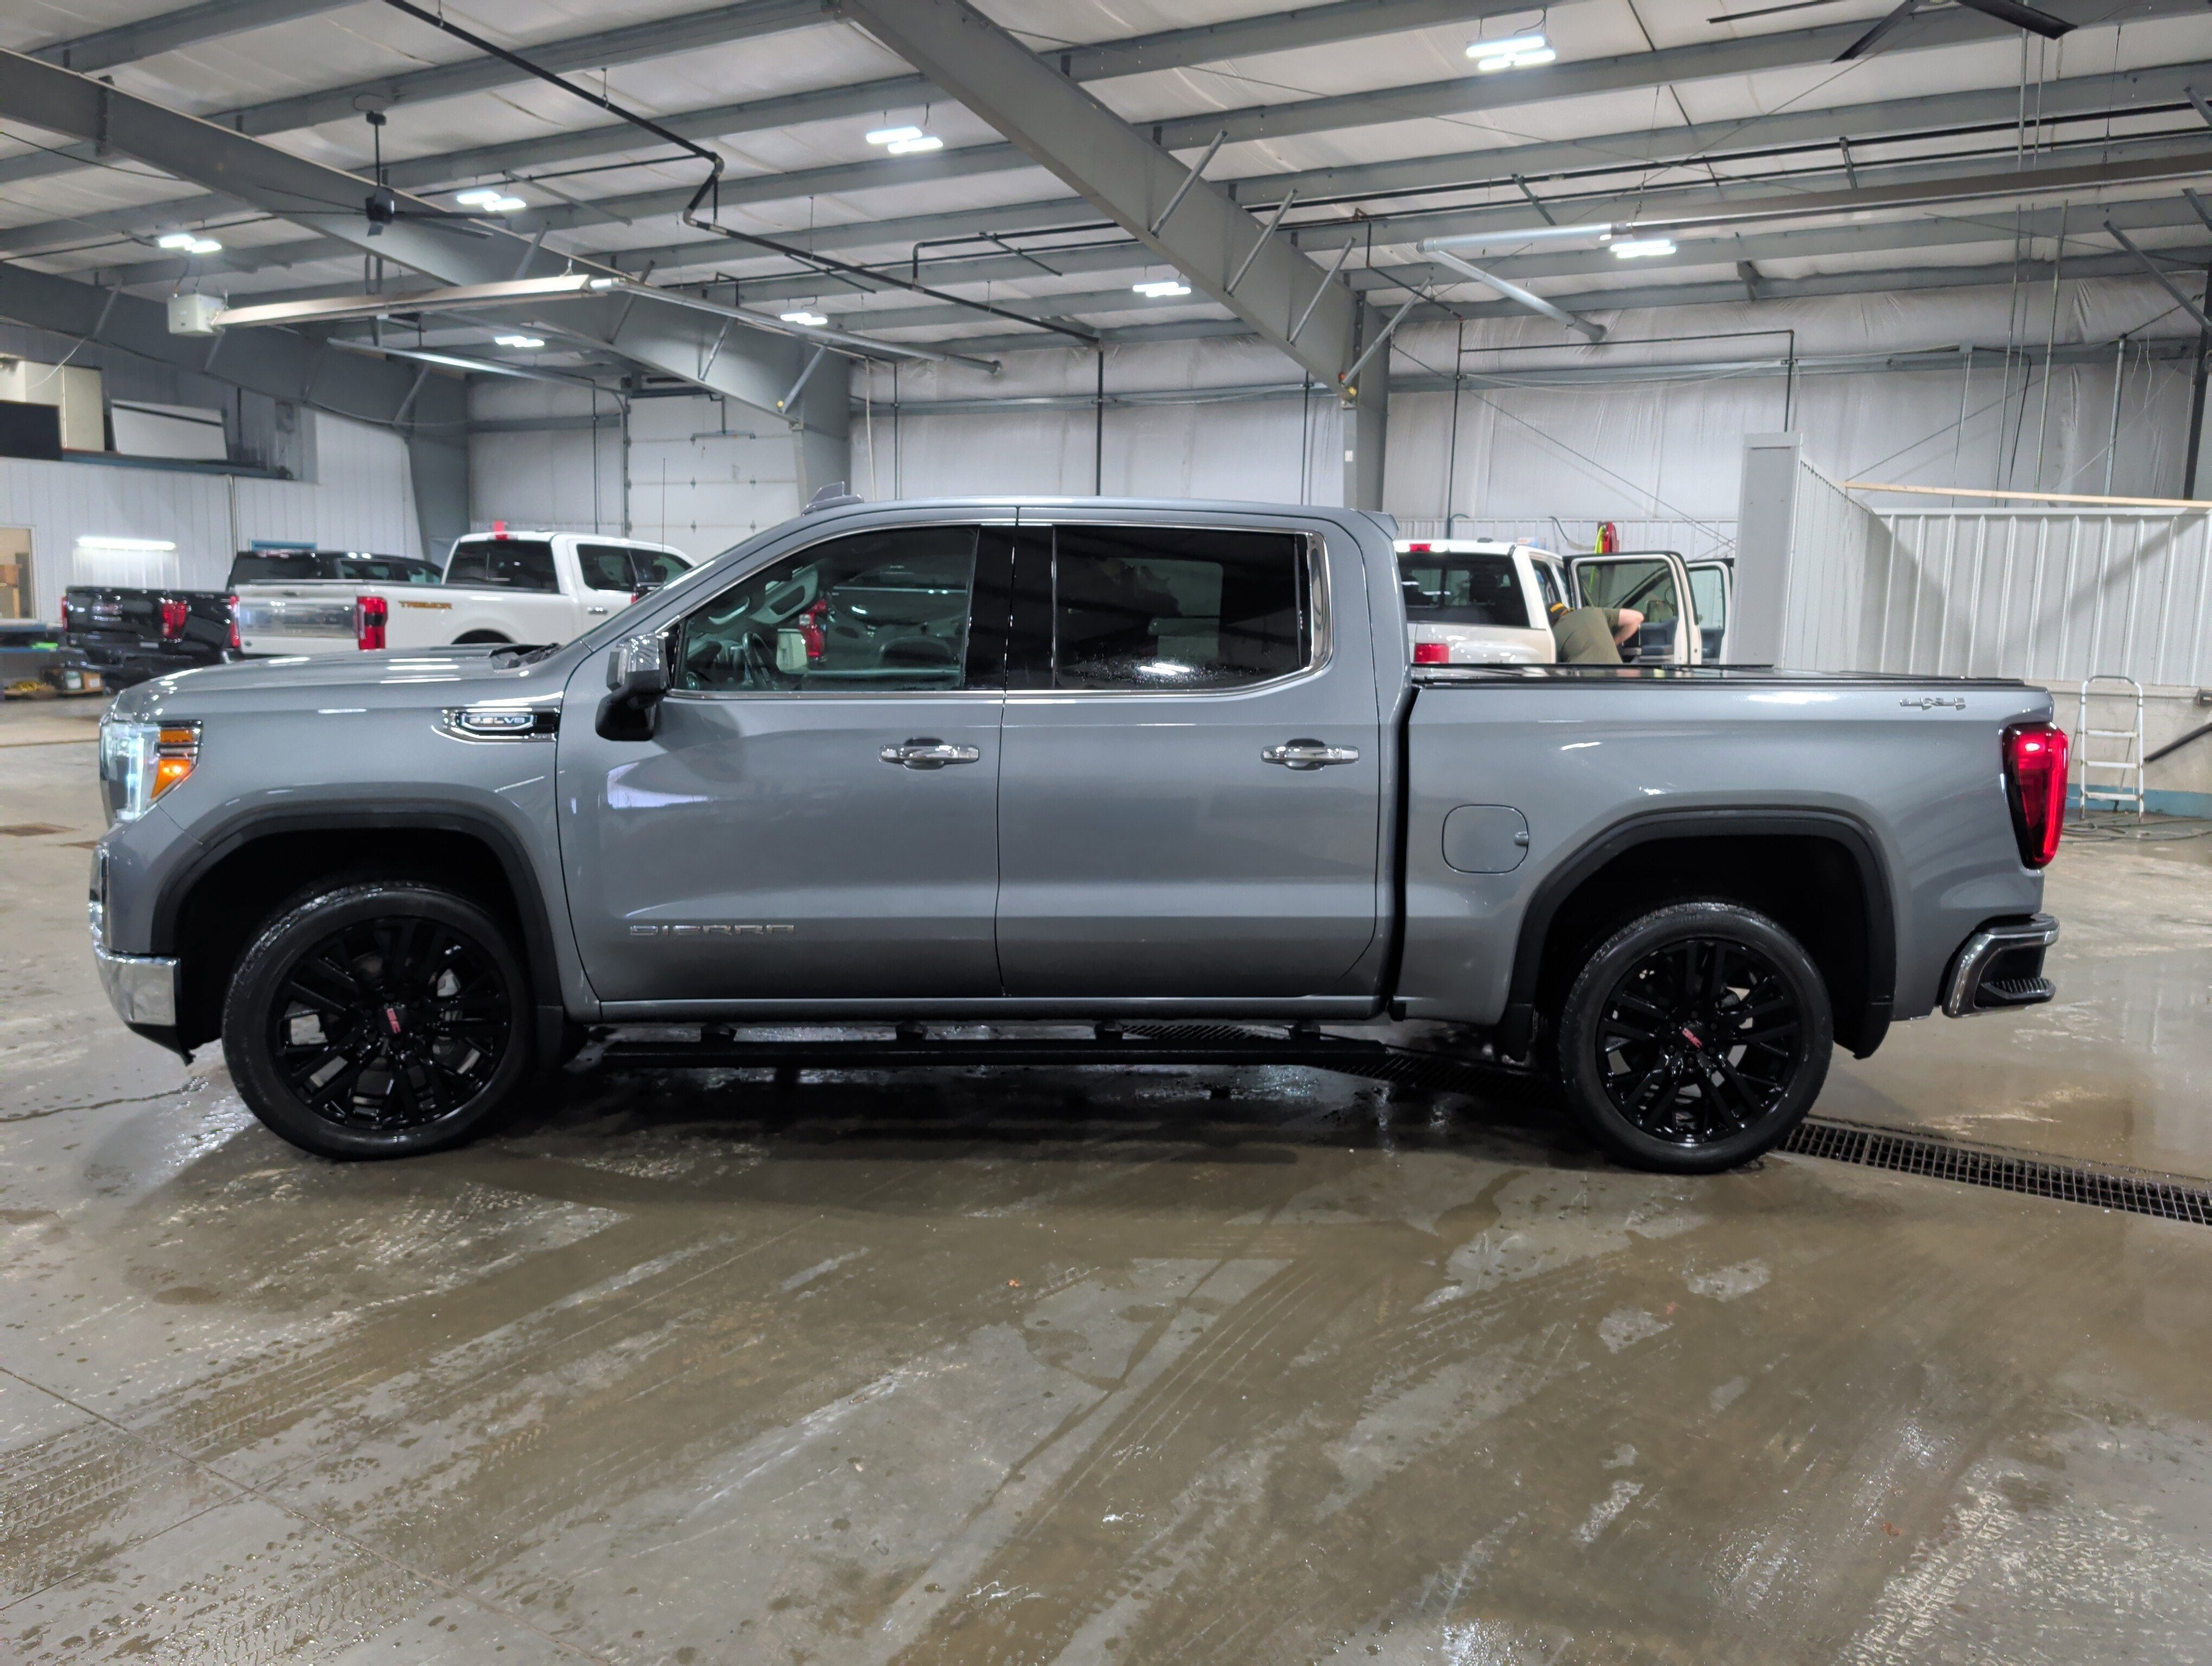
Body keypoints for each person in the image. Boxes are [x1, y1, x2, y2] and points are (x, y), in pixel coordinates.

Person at [1548, 600, 1645, 664]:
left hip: (1585, 683)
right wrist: (1614, 642)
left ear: (1552, 622)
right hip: (1616, 678)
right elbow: (1637, 618)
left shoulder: (1555, 632)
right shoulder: (1595, 612)